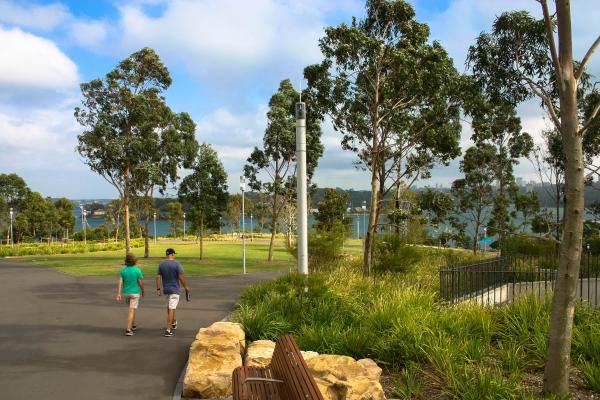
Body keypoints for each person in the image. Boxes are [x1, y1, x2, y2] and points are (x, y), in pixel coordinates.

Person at [156, 248, 190, 337]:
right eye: (174, 254)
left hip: (166, 290)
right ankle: (168, 329)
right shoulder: (176, 264)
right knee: (172, 308)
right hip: (175, 289)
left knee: (170, 307)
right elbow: (180, 276)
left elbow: (158, 277)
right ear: (172, 254)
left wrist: (158, 289)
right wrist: (186, 286)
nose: (175, 255)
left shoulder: (161, 264)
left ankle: (173, 322)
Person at [116, 253, 144, 336]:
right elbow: (140, 282)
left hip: (126, 293)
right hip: (135, 293)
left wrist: (119, 293)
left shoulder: (123, 270)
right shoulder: (137, 270)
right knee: (132, 310)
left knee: (132, 308)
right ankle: (128, 329)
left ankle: (133, 324)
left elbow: (120, 282)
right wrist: (143, 290)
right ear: (134, 261)